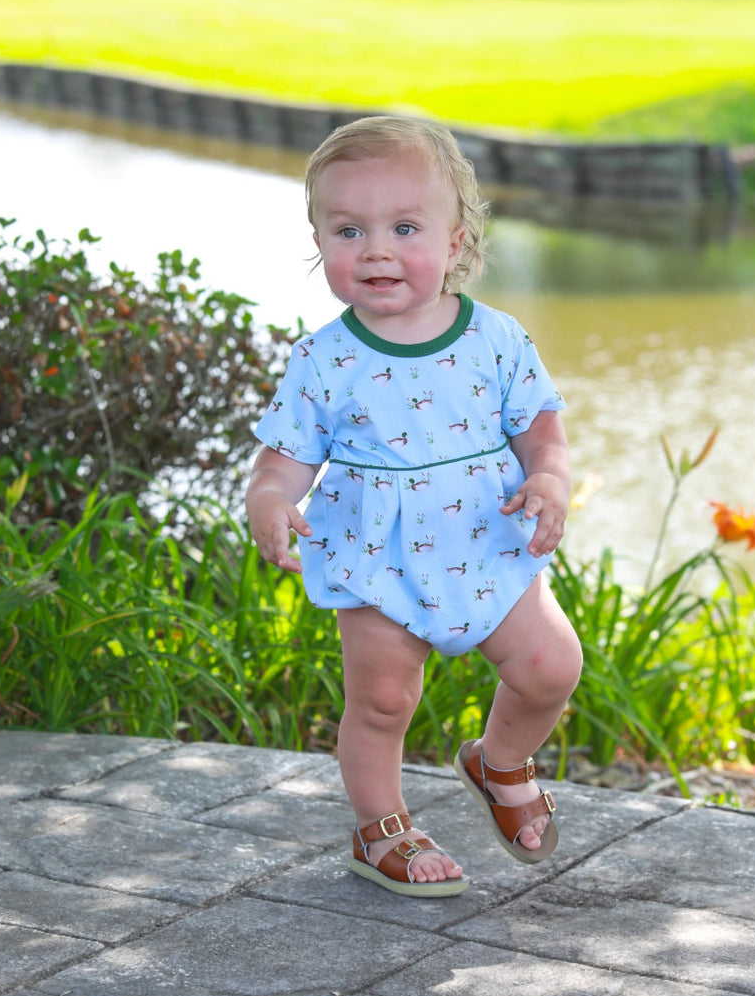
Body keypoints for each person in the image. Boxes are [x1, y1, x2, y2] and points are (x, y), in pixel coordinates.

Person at [246, 116, 582, 897]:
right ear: (319, 242)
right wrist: (269, 496)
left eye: (404, 227)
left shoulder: (496, 340)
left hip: (486, 540)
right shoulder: (324, 360)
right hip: (375, 555)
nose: (377, 250)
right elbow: (287, 455)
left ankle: (500, 762)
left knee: (549, 666)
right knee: (383, 699)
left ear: (457, 241)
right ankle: (380, 827)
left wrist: (552, 480)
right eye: (348, 230)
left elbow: (541, 431)